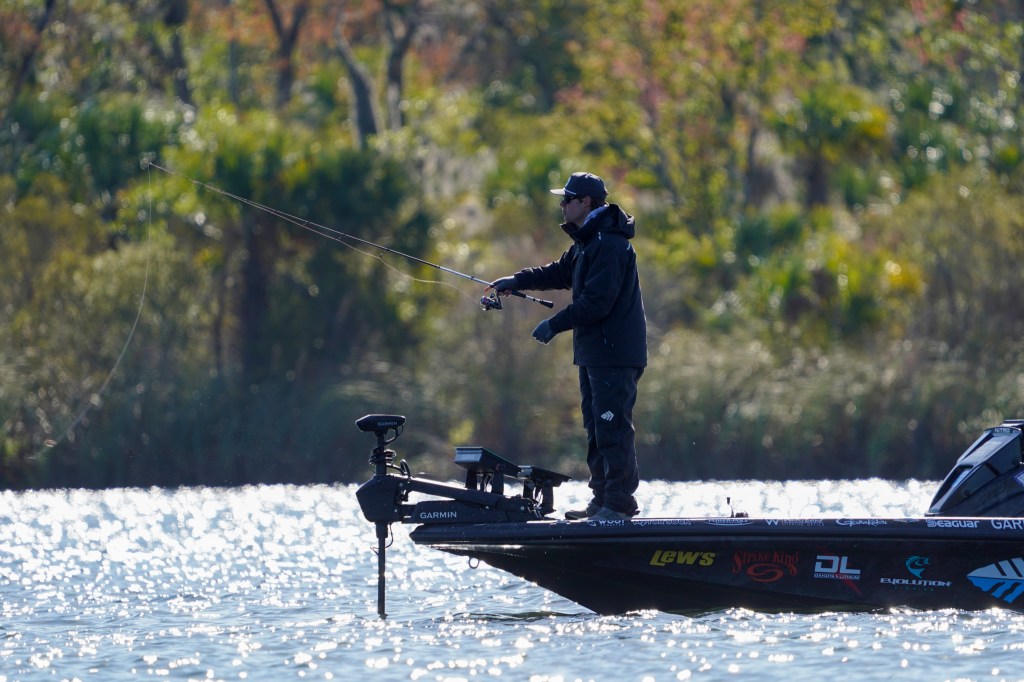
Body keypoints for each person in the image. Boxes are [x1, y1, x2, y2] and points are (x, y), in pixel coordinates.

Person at [487, 171, 647, 522]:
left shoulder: (609, 243)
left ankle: (618, 505)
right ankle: (602, 500)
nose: (562, 205)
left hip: (615, 353)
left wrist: (554, 324)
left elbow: (596, 304)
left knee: (612, 427)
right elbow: (558, 273)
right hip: (595, 353)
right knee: (596, 427)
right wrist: (517, 280)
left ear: (585, 202)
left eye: (567, 199)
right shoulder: (587, 241)